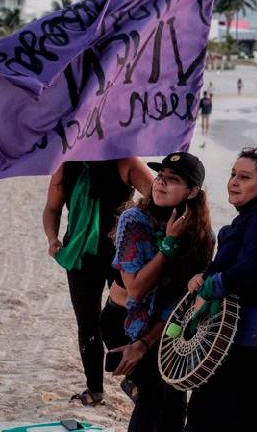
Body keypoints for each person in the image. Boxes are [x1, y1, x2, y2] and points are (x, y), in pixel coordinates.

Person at [184, 147, 257, 432]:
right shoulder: (250, 217)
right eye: (233, 174)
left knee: (229, 415)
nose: (233, 181)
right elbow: (232, 264)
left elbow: (252, 270)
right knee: (241, 414)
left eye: (245, 177)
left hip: (256, 339)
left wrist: (214, 284)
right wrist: (204, 276)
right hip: (240, 336)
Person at [102, 152, 215, 431]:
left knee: (175, 397)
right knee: (153, 395)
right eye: (160, 176)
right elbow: (136, 290)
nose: (160, 184)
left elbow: (183, 301)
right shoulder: (134, 219)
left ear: (192, 192)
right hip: (122, 321)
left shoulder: (201, 234)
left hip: (166, 326)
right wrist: (168, 246)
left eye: (172, 180)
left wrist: (146, 343)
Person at [43, 158, 153, 406]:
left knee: (120, 318)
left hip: (122, 255)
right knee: (87, 321)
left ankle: (135, 379)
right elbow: (52, 208)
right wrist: (52, 238)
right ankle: (94, 389)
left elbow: (157, 198)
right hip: (80, 253)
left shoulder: (125, 161)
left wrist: (137, 219)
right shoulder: (65, 165)